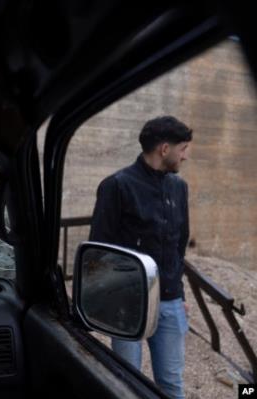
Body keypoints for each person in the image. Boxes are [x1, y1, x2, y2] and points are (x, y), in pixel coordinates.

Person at [89, 115, 192, 399]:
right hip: (126, 303)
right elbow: (100, 249)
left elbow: (178, 246)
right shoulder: (116, 186)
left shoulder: (179, 188)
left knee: (171, 383)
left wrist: (180, 295)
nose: (185, 156)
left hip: (170, 300)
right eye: (183, 149)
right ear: (164, 149)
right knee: (126, 383)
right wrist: (103, 303)